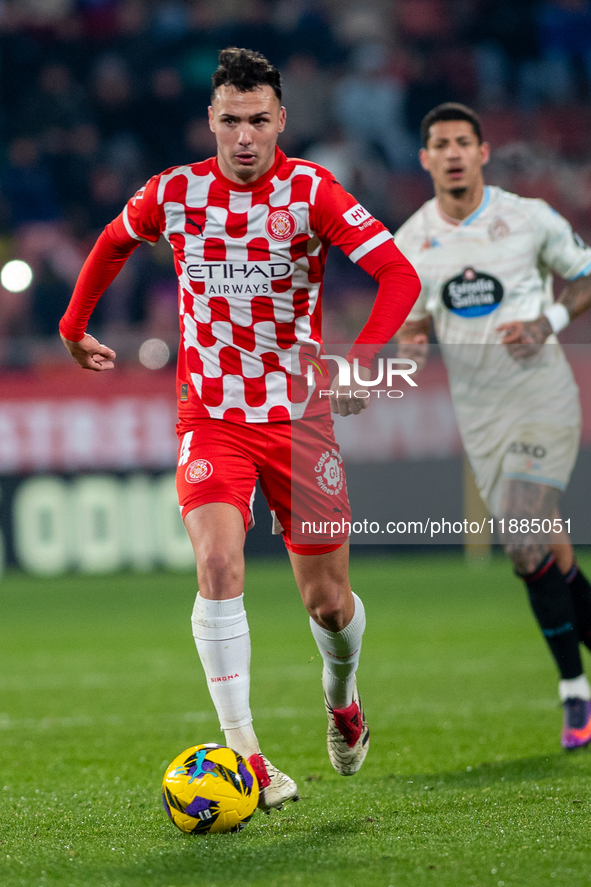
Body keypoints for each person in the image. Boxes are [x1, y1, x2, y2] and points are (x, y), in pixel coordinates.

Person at [59, 48, 420, 809]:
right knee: (218, 564)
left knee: (328, 602)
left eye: (259, 120)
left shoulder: (311, 193)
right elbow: (113, 240)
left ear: (281, 119)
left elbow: (398, 274)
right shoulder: (175, 192)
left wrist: (361, 361)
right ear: (212, 121)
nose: (245, 136)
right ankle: (248, 756)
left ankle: (343, 697)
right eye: (231, 120)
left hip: (299, 421)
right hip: (212, 417)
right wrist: (72, 321)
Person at [395, 101, 591, 750]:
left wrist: (548, 323)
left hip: (542, 398)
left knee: (522, 535)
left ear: (482, 152)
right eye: (439, 144)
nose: (451, 152)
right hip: (479, 419)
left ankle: (572, 692)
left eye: (462, 142)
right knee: (548, 554)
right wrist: (410, 343)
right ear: (424, 158)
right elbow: (412, 320)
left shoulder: (526, 219)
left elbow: (585, 275)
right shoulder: (410, 241)